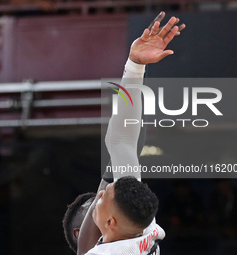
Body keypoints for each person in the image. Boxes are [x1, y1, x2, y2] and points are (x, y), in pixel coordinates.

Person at [74, 12, 186, 255]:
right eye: (102, 196)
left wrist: (136, 67)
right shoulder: (137, 225)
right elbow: (122, 139)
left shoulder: (144, 226)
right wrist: (135, 66)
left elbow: (122, 139)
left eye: (103, 196)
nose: (100, 192)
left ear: (111, 223)